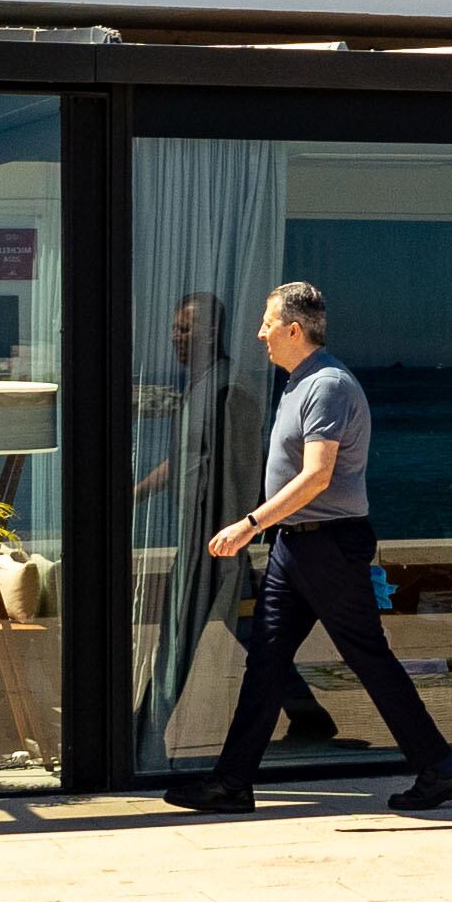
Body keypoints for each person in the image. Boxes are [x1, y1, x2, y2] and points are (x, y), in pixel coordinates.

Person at [159, 281, 452, 816]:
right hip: (295, 545)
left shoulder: (327, 385)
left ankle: (441, 768)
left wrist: (249, 525)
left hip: (326, 545)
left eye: (266, 323)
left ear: (293, 330)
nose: (259, 334)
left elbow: (317, 476)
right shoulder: (297, 383)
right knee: (266, 660)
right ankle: (232, 783)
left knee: (367, 658)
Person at [136, 289, 344, 750]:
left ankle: (142, 734)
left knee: (179, 636)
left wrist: (238, 532)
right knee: (253, 633)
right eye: (175, 327)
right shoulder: (201, 384)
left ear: (211, 332)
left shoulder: (231, 390)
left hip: (215, 542)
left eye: (186, 328)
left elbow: (244, 469)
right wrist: (134, 495)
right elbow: (186, 461)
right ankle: (309, 715)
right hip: (208, 539)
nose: (176, 336)